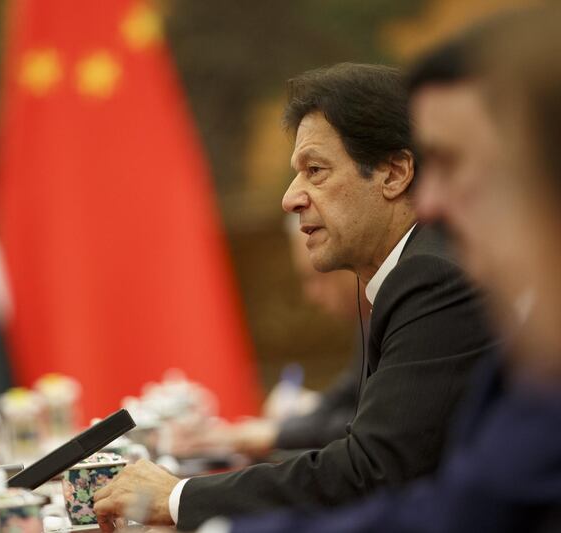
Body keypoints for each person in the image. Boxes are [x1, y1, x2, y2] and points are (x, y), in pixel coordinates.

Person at [185, 8, 561, 532]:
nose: (431, 203)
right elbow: (463, 499)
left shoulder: (433, 274)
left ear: (393, 171)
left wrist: (200, 512)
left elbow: (380, 473)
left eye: (455, 164)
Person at [93, 63, 495, 531]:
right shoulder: (417, 265)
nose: (290, 198)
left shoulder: (432, 275)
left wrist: (179, 496)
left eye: (315, 171)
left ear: (394, 172)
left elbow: (369, 469)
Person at [172, 214, 364, 459]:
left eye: (318, 276)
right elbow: (351, 392)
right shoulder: (367, 317)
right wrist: (273, 430)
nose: (311, 296)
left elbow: (369, 425)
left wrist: (276, 434)